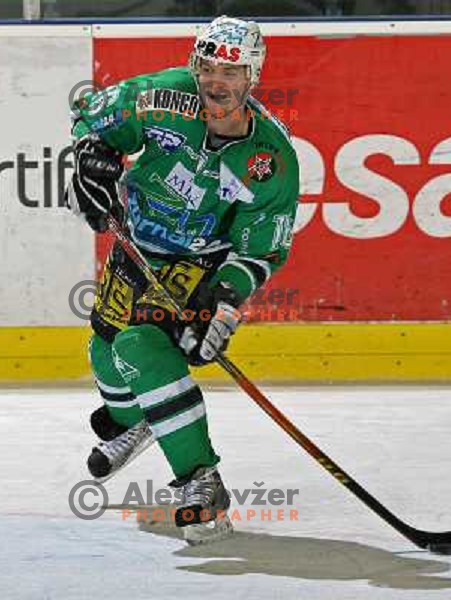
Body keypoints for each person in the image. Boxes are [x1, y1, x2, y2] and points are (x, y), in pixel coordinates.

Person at [65, 15, 300, 542]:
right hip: (139, 244)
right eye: (208, 66)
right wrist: (90, 156)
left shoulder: (271, 158)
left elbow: (262, 247)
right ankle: (142, 417)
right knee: (106, 353)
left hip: (202, 265)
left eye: (232, 72)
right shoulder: (162, 96)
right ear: (194, 65)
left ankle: (202, 483)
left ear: (252, 78)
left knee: (140, 348)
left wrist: (225, 302)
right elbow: (90, 120)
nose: (217, 81)